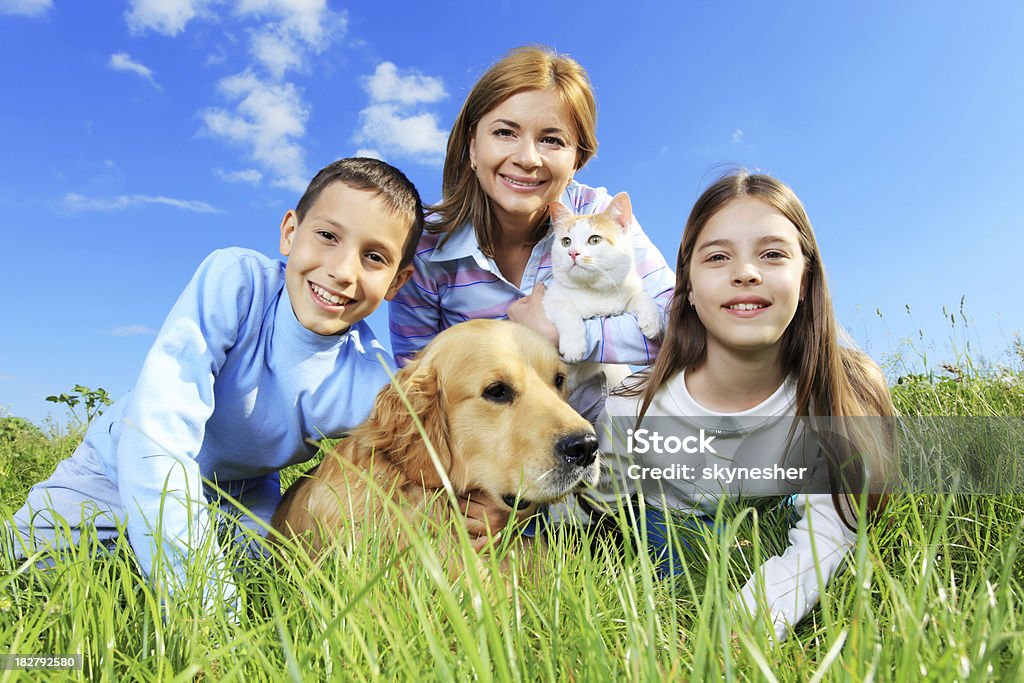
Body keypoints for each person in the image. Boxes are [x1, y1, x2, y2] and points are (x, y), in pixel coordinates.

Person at [7, 158, 423, 611]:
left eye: (374, 257)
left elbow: (416, 470)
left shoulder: (372, 381)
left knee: (269, 592)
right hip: (115, 469)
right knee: (27, 575)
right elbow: (156, 436)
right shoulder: (237, 283)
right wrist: (208, 608)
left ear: (397, 282)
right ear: (289, 232)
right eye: (327, 236)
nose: (343, 270)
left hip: (237, 498)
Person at [586, 171, 895, 641]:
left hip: (764, 518)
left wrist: (755, 615)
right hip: (661, 525)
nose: (745, 272)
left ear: (806, 277)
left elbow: (830, 533)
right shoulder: (632, 406)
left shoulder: (838, 392)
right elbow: (593, 511)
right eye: (718, 257)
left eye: (772, 254)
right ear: (686, 286)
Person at [388, 46, 675, 530]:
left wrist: (563, 334)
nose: (527, 158)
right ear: (471, 145)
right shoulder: (426, 253)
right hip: (503, 466)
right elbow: (419, 395)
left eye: (552, 139)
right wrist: (478, 492)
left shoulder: (599, 217)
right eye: (504, 132)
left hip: (604, 440)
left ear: (577, 157)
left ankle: (633, 524)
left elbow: (677, 318)